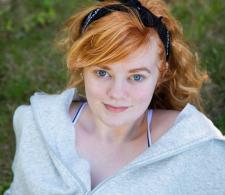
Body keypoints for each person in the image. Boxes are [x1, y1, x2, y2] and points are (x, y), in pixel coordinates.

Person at [4, 0, 225, 194]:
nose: (117, 93)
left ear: (161, 74)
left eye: (137, 77)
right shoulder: (37, 126)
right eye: (102, 73)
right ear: (81, 66)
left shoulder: (196, 147)